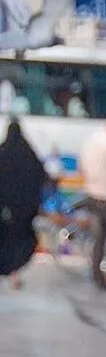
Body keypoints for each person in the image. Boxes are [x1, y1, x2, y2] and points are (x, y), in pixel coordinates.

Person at [77, 111, 106, 290]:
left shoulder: (90, 140)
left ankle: (95, 271)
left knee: (97, 237)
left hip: (91, 192)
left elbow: (81, 167)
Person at [0, 118, 48, 290]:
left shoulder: (3, 152)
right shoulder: (29, 155)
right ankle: (14, 273)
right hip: (24, 213)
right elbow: (40, 176)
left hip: (5, 211)